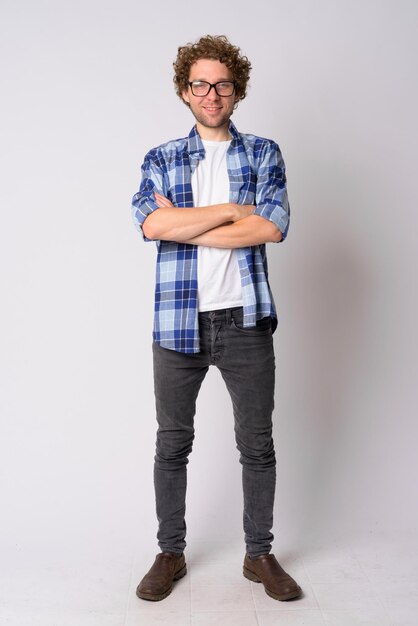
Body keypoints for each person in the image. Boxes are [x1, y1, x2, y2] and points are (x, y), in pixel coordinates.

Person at [131, 34, 301, 603]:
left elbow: (271, 227)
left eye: (222, 84)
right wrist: (231, 211)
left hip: (245, 320)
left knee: (257, 443)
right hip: (177, 323)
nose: (211, 93)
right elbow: (153, 227)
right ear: (185, 91)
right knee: (172, 443)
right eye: (200, 83)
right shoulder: (161, 158)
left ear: (236, 90)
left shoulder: (264, 154)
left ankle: (259, 556)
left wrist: (189, 222)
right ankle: (170, 552)